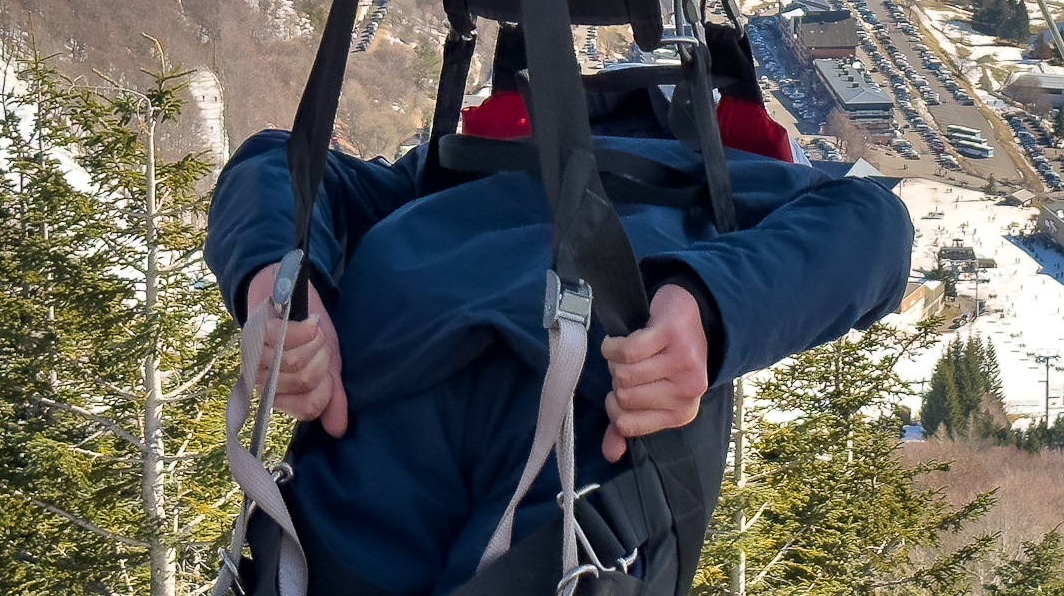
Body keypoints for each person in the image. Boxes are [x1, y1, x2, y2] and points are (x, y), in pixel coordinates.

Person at [206, 88, 913, 596]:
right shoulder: (728, 192)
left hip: (396, 416)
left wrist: (278, 281)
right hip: (568, 450)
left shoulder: (444, 174)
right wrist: (706, 304)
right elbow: (874, 227)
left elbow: (277, 166)